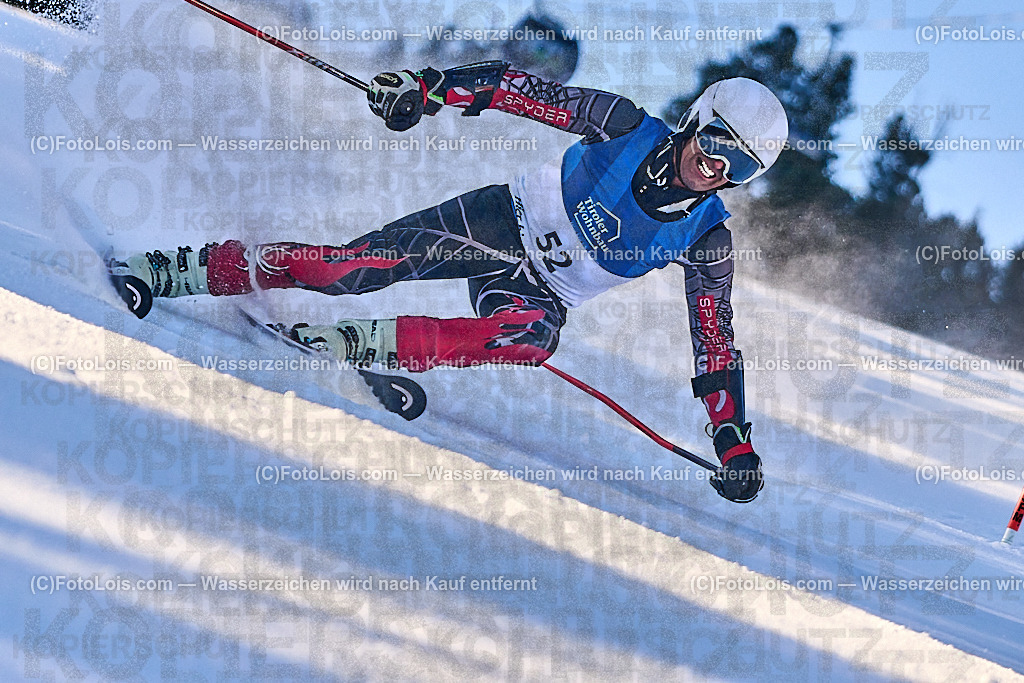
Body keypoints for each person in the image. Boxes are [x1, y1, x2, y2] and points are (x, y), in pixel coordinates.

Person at [115, 61, 788, 503]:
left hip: (537, 293)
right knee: (347, 269)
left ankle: (364, 345)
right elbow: (520, 91)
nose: (717, 165)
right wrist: (427, 89)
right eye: (718, 141)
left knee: (533, 338)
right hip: (498, 222)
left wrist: (733, 441)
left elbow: (714, 344)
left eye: (741, 164)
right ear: (699, 119)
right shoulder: (623, 125)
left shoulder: (705, 238)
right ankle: (179, 268)